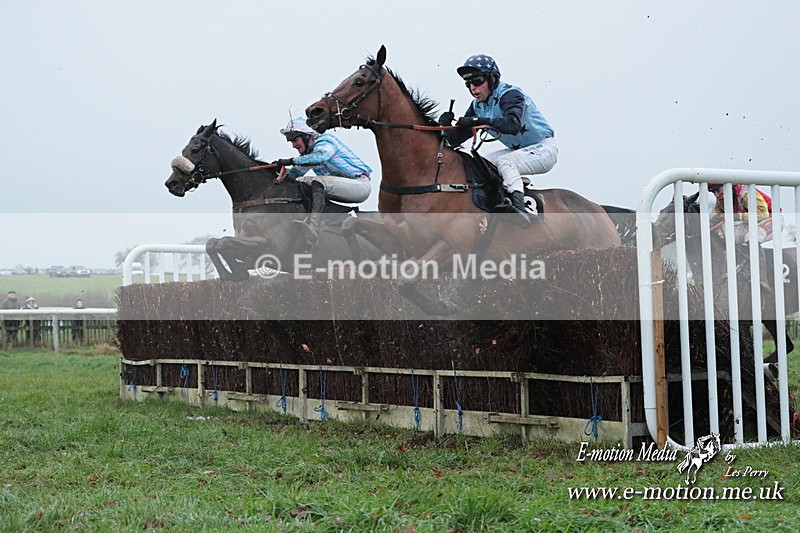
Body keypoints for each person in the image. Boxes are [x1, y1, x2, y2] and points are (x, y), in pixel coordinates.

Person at [439, 54, 557, 228]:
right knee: (482, 164)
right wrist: (445, 126)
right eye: (468, 84)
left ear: (492, 79)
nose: (472, 88)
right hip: (519, 151)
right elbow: (456, 140)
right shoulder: (477, 105)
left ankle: (519, 209)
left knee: (505, 162)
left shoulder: (510, 95)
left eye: (477, 81)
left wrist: (476, 121)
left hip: (544, 148)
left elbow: (513, 125)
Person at [273, 118, 372, 249]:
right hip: (340, 187)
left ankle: (313, 226)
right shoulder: (308, 154)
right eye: (291, 142)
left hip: (360, 185)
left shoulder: (325, 141)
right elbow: (294, 176)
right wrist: (274, 171)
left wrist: (291, 160)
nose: (293, 145)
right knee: (301, 182)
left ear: (307, 136)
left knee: (317, 181)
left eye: (295, 140)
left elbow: (320, 156)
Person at [708, 183, 773, 243]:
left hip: (771, 219)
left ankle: (757, 254)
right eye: (714, 192)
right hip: (749, 223)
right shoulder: (721, 201)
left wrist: (735, 216)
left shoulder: (746, 194)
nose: (716, 195)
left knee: (752, 236)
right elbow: (715, 216)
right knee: (724, 233)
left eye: (718, 190)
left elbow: (763, 215)